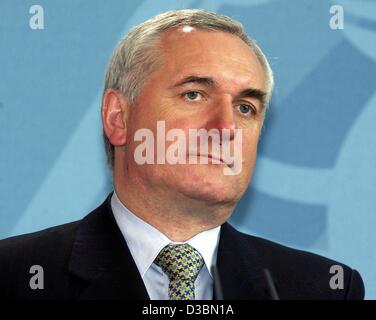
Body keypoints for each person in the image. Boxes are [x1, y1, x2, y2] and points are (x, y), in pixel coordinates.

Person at [0, 9, 364, 300]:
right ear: (118, 117)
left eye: (246, 107)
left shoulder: (325, 289)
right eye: (194, 94)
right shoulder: (15, 276)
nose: (225, 129)